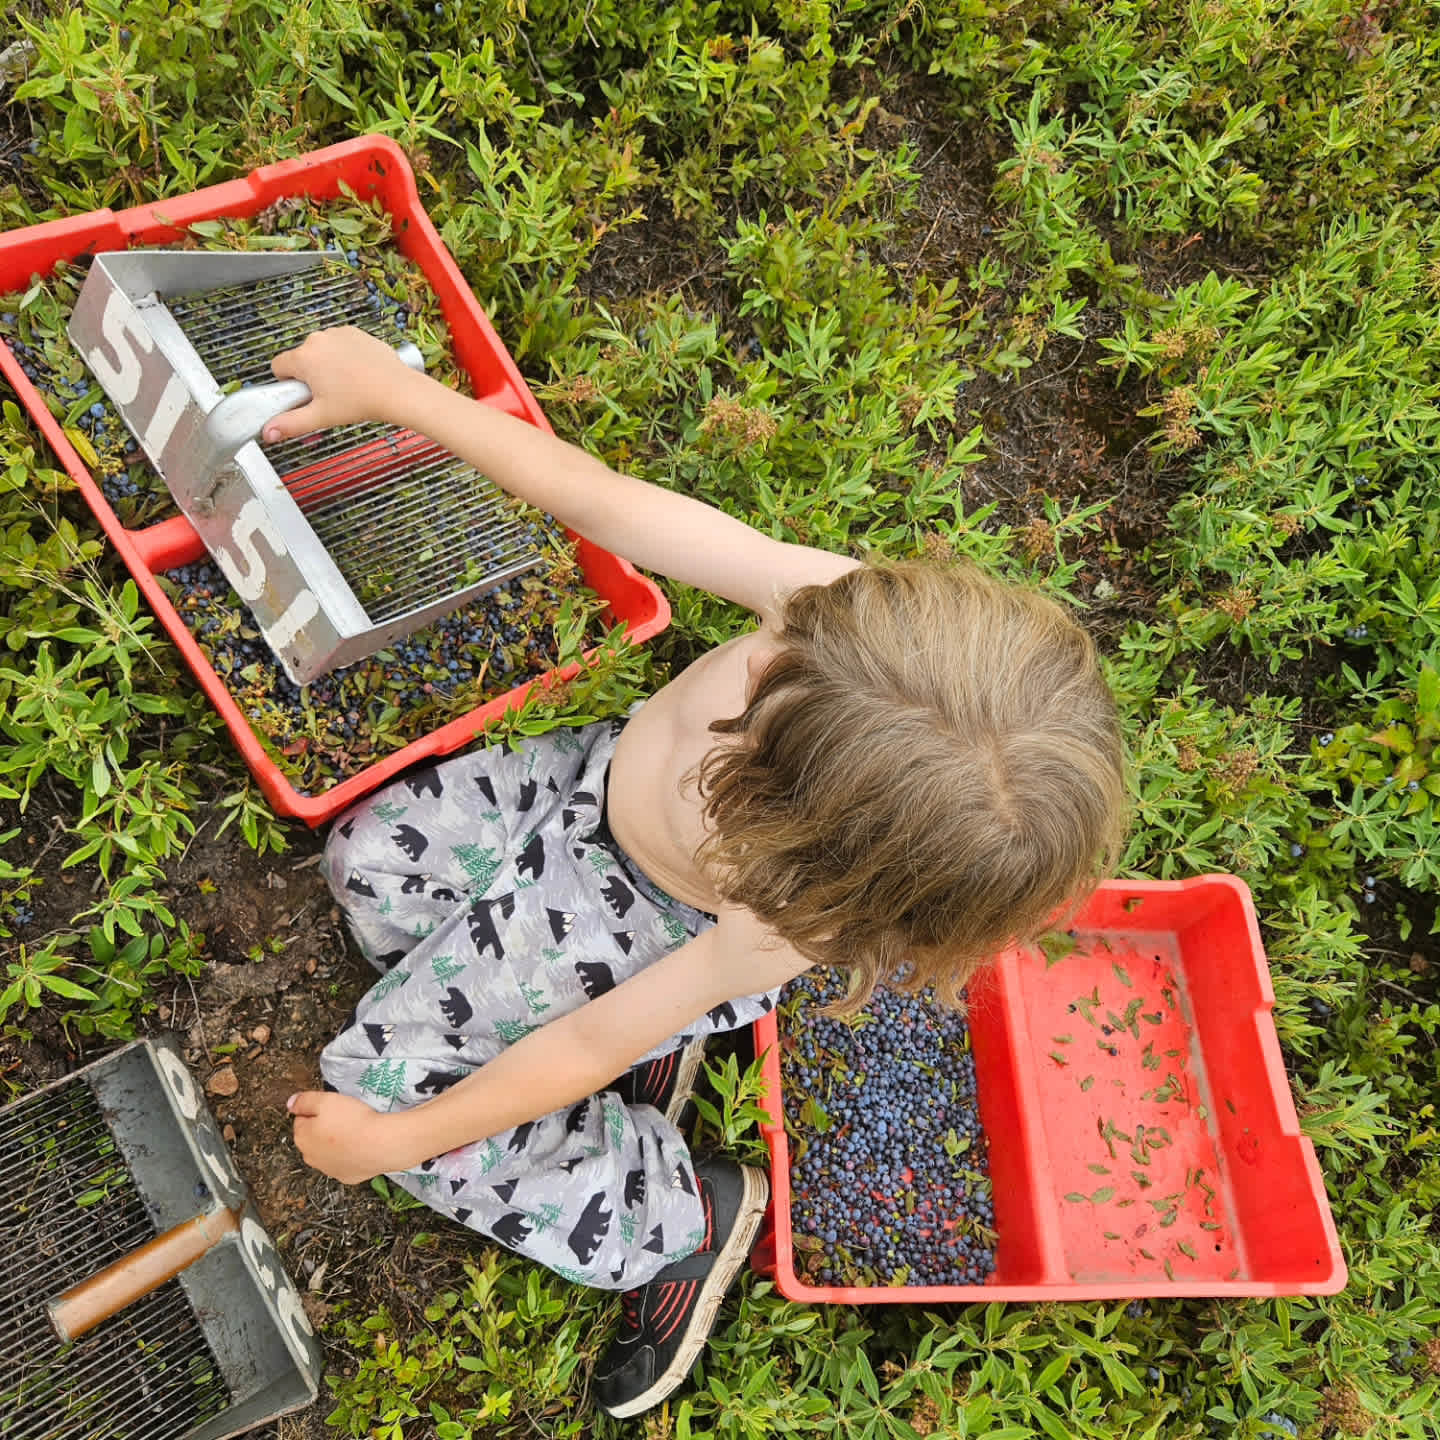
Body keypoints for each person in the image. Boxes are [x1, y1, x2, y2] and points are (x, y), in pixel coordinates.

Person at [273, 326, 1128, 1418]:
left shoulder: (783, 922)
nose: (733, 701)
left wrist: (388, 1141)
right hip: (577, 795)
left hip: (649, 931)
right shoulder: (839, 618)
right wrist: (402, 393)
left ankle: (678, 1217)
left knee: (379, 1077)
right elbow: (608, 502)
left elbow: (589, 1037)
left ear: (810, 857)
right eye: (770, 677)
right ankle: (559, 1040)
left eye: (749, 759)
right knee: (369, 862)